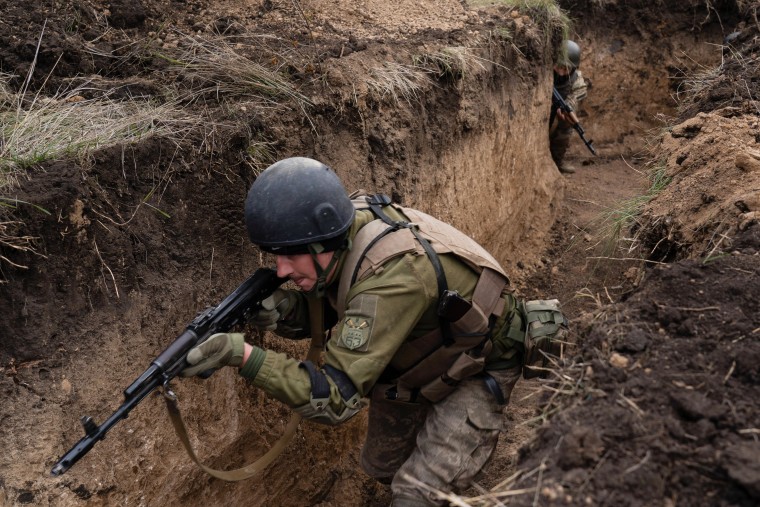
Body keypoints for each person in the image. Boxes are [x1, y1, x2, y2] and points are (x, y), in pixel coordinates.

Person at [180, 157, 537, 506]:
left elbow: (335, 401)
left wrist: (243, 356)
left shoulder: (393, 279)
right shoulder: (339, 234)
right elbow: (337, 306)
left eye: (290, 255)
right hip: (420, 357)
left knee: (416, 494)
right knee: (382, 467)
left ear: (323, 243)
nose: (281, 269)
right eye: (274, 255)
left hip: (479, 364)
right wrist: (284, 310)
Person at [550, 39, 588, 175]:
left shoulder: (577, 81)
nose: (560, 72)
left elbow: (577, 96)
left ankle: (556, 162)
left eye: (565, 68)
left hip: (558, 113)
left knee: (566, 125)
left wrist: (566, 107)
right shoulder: (545, 72)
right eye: (559, 66)